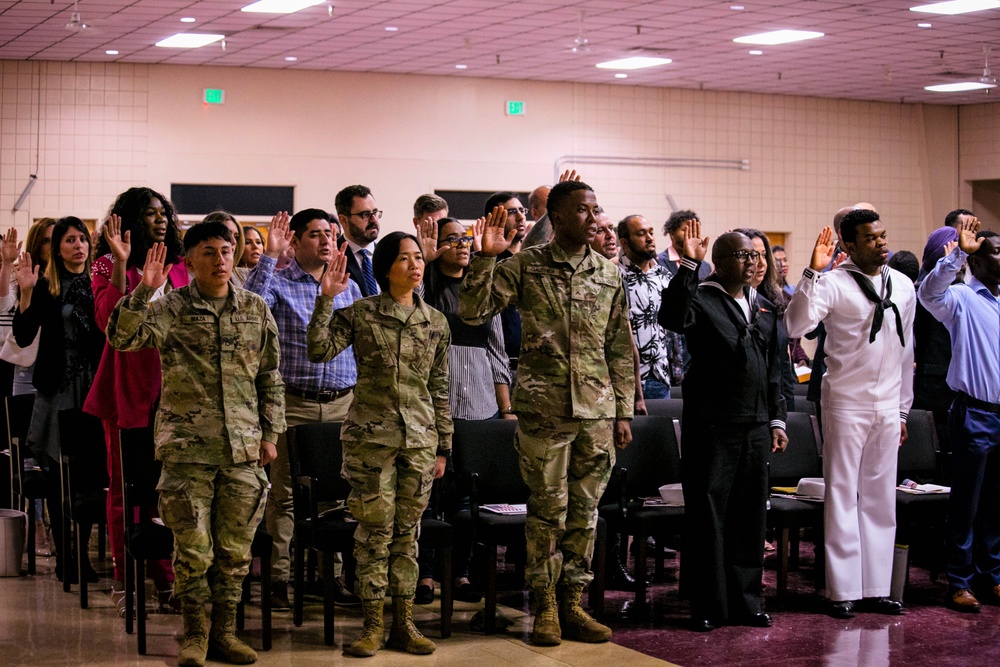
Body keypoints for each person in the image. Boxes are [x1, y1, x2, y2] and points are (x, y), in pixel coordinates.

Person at [459, 180, 634, 646]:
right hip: (544, 412)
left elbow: (619, 346)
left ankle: (573, 602)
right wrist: (484, 258)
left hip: (595, 412)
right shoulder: (526, 266)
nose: (593, 217)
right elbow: (473, 312)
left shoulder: (608, 273)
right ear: (555, 219)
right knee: (547, 513)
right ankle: (546, 608)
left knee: (586, 513)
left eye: (596, 208)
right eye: (582, 210)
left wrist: (622, 411)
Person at [107, 221, 284, 667]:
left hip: (243, 450)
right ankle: (194, 635)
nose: (221, 260)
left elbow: (270, 376)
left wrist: (271, 433)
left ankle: (224, 632)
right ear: (189, 261)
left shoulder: (256, 309)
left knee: (235, 552)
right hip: (187, 450)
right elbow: (122, 338)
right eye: (209, 252)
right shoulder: (171, 307)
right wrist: (144, 292)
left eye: (227, 251)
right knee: (192, 551)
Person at [307, 231, 451, 657]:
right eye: (404, 259)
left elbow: (440, 386)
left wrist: (443, 445)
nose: (414, 265)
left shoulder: (436, 322)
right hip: (372, 441)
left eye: (417, 258)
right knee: (374, 532)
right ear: (386, 267)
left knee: (408, 533)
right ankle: (371, 624)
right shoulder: (362, 314)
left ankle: (403, 623)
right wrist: (325, 299)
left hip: (420, 440)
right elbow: (319, 350)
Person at [785, 209, 915, 619]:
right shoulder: (834, 284)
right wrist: (812, 272)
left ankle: (877, 587)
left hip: (888, 404)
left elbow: (905, 352)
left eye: (882, 235)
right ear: (849, 245)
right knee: (842, 493)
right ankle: (842, 589)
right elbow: (795, 325)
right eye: (870, 238)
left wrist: (903, 410)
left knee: (880, 497)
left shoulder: (904, 286)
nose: (880, 242)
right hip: (845, 401)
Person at [660, 224, 787, 631]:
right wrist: (687, 266)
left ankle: (747, 601)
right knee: (709, 516)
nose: (753, 263)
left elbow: (775, 370)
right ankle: (710, 603)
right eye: (743, 256)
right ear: (721, 261)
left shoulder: (764, 306)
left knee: (750, 517)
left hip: (753, 427)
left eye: (756, 256)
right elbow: (672, 317)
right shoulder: (702, 296)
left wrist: (777, 419)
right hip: (712, 425)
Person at [242, 208, 362, 610]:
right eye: (314, 234)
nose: (326, 241)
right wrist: (267, 257)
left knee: (339, 496)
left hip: (343, 403)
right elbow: (250, 309)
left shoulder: (348, 285)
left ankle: (337, 579)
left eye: (330, 233)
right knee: (287, 496)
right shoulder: (279, 280)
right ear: (294, 241)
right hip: (294, 404)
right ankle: (278, 579)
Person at [85, 186, 189, 615]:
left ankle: (167, 578)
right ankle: (125, 576)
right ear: (130, 219)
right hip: (128, 386)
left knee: (168, 493)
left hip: (178, 391)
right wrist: (123, 263)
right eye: (150, 213)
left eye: (163, 212)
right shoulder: (109, 262)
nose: (160, 219)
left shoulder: (182, 267)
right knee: (126, 491)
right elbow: (109, 319)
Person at [416, 216, 512, 605]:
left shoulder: (482, 286)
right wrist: (422, 264)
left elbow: (498, 353)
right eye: (450, 239)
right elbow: (408, 318)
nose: (460, 245)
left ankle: (461, 572)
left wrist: (506, 410)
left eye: (465, 238)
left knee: (467, 497)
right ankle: (424, 573)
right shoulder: (428, 288)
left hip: (480, 406)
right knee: (427, 495)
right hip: (435, 407)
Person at [13, 216, 106, 584]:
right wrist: (24, 292)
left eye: (82, 239)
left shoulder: (99, 282)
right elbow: (22, 335)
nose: (78, 245)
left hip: (92, 388)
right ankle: (66, 555)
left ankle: (80, 554)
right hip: (58, 391)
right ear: (56, 248)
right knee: (56, 478)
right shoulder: (47, 287)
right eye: (69, 240)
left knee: (86, 479)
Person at [917, 218, 1000, 613]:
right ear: (977, 262)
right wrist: (957, 256)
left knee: (997, 503)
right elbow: (928, 292)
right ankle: (960, 581)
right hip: (976, 412)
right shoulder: (961, 298)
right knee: (966, 502)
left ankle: (993, 575)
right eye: (996, 251)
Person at [336, 184, 382, 297]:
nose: (374, 220)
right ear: (343, 220)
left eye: (375, 212)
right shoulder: (333, 257)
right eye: (365, 214)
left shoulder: (388, 254)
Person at [657, 210, 713, 281]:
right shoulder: (657, 262)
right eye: (685, 229)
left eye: (693, 230)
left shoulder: (706, 267)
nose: (690, 233)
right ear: (672, 234)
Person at [202, 211, 247, 287]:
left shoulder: (245, 276)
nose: (234, 241)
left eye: (236, 236)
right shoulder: (190, 276)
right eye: (227, 234)